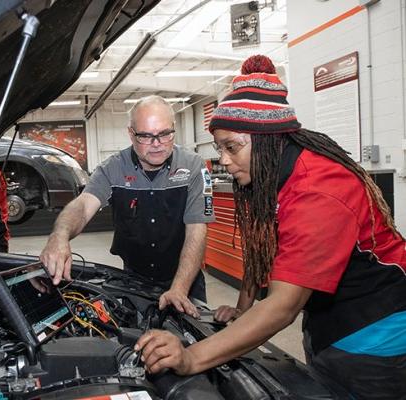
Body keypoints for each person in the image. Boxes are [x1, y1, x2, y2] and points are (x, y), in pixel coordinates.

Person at [135, 55, 406, 399]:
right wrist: (243, 308)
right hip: (328, 318)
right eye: (220, 148)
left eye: (231, 147)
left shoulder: (318, 190)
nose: (223, 160)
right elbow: (261, 248)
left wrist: (191, 357)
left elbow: (282, 306)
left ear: (266, 139)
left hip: (376, 327)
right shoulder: (274, 173)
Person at [40, 95, 215, 316]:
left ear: (174, 128)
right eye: (146, 136)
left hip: (185, 280)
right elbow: (83, 206)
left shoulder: (193, 166)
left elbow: (197, 229)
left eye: (164, 134)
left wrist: (179, 290)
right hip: (134, 281)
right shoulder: (112, 169)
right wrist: (59, 235)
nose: (157, 143)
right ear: (131, 134)